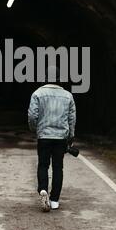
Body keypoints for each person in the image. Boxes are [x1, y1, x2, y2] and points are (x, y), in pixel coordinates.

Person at [28, 65, 76, 212]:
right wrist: (70, 136)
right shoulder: (68, 96)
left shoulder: (37, 94)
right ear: (59, 79)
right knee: (57, 167)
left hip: (44, 136)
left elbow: (32, 115)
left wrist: (35, 129)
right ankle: (54, 200)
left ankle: (43, 189)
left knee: (43, 164)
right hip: (61, 137)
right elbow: (72, 118)